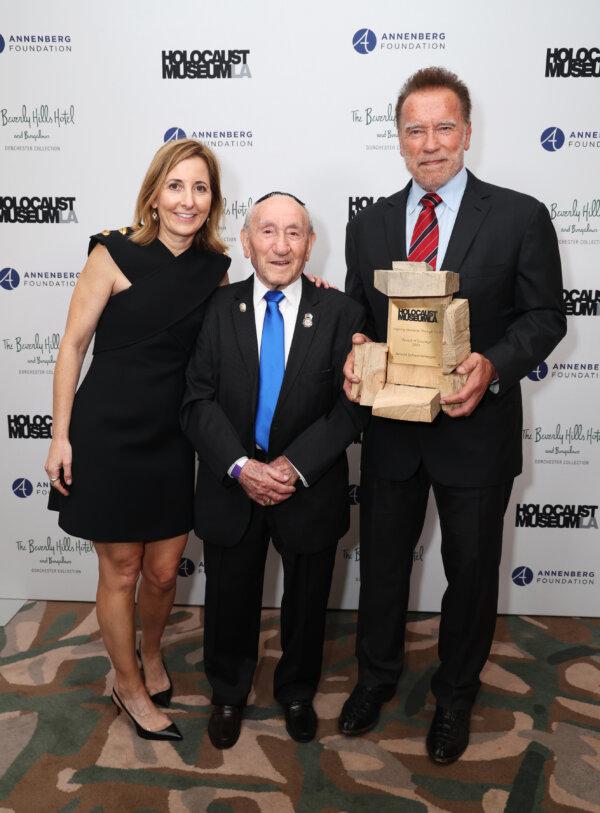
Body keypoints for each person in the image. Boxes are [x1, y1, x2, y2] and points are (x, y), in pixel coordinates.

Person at [339, 67, 566, 763]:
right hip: (391, 433)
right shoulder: (368, 223)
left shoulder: (521, 215)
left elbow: (545, 317)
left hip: (476, 428)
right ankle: (375, 678)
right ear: (399, 138)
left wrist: (493, 365)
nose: (429, 142)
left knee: (469, 571)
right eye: (415, 129)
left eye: (443, 127)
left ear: (467, 132)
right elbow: (358, 314)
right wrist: (352, 345)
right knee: (380, 565)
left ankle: (455, 694)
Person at [46, 139, 232, 741]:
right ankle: (127, 684)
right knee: (121, 570)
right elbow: (72, 347)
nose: (187, 199)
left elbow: (239, 333)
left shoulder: (215, 269)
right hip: (109, 433)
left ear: (213, 200)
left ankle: (151, 655)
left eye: (200, 187)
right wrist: (59, 436)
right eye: (175, 186)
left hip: (174, 437)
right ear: (154, 194)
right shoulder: (112, 252)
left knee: (161, 572)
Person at [181, 192, 366, 749]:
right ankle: (229, 692)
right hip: (232, 483)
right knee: (230, 595)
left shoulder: (342, 314)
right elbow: (196, 400)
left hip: (307, 485)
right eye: (267, 231)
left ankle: (296, 691)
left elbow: (351, 406)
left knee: (308, 601)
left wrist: (294, 466)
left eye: (294, 233)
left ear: (311, 245)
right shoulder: (215, 309)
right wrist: (240, 467)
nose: (280, 245)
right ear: (246, 241)